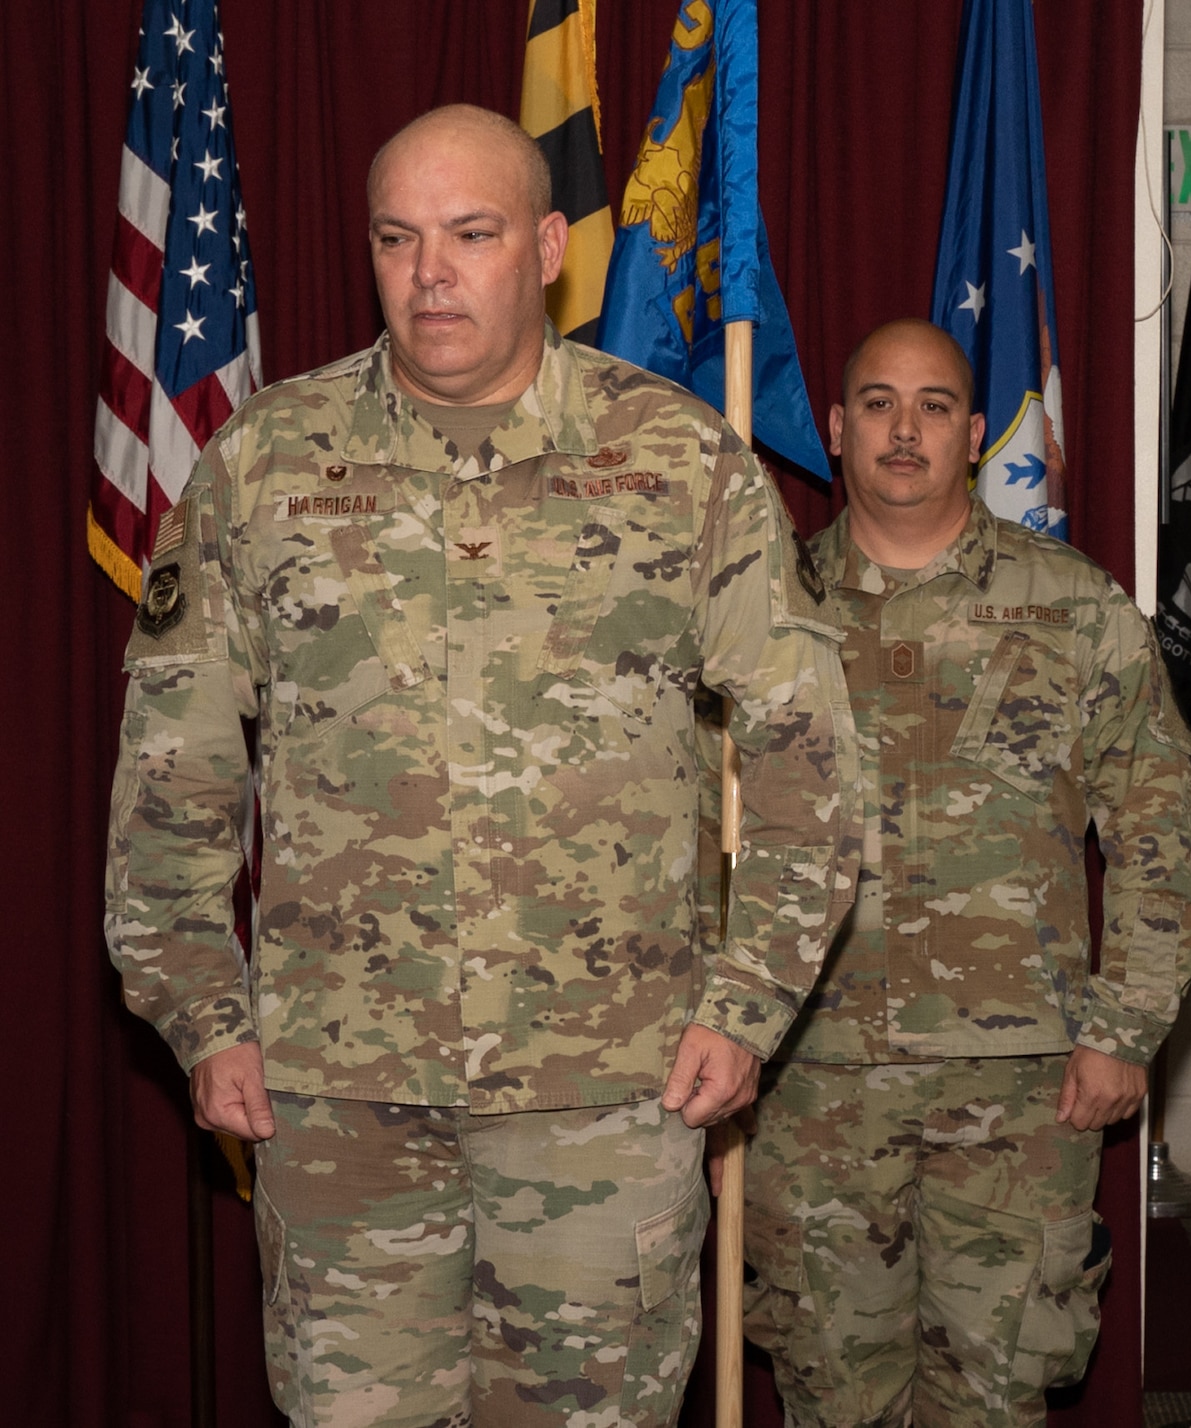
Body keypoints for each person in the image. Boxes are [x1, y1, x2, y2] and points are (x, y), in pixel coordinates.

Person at [104, 104, 857, 1426]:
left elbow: (813, 763)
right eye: (398, 238)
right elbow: (172, 766)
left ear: (550, 249)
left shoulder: (678, 464)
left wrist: (749, 1005)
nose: (430, 273)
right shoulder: (264, 466)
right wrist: (200, 1012)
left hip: (607, 1102)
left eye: (471, 234)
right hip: (337, 1098)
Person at [739, 319, 1191, 1427]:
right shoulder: (761, 614)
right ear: (837, 428)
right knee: (830, 1393)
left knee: (993, 1396)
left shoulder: (1073, 609)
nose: (905, 430)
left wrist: (1122, 1029)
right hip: (810, 1074)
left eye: (935, 405)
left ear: (973, 430)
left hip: (1019, 1086)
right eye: (877, 402)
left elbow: (1154, 827)